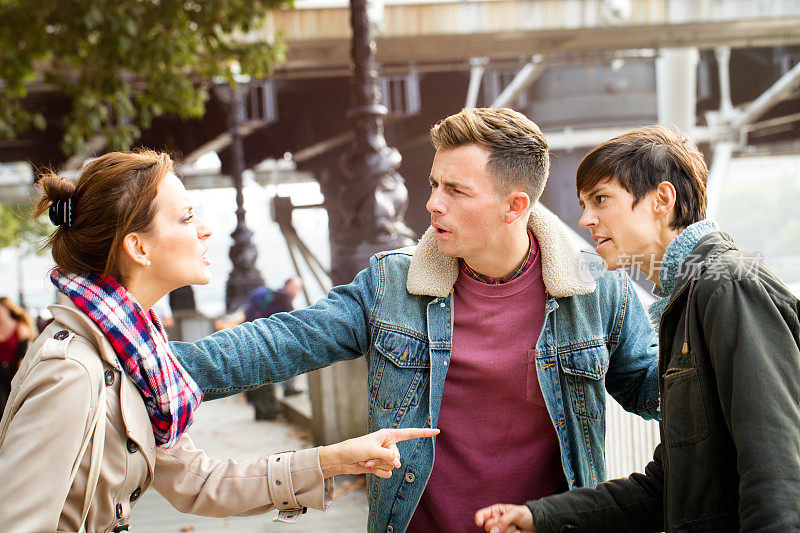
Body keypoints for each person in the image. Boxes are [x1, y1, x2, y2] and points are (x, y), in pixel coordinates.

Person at [171, 108, 661, 533]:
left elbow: (657, 389)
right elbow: (283, 341)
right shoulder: (393, 286)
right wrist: (147, 370)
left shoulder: (598, 291)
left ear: (514, 206)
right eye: (433, 184)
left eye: (456, 190)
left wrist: (718, 328)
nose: (432, 203)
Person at [0, 150, 437, 533]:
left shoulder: (136, 354)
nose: (206, 230)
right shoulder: (73, 372)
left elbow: (198, 482)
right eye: (187, 217)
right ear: (138, 247)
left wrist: (332, 460)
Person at [475, 125, 800, 532]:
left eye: (601, 199)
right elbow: (668, 488)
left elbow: (778, 474)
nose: (585, 219)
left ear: (662, 200)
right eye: (583, 203)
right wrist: (540, 517)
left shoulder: (728, 282)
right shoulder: (686, 302)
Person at [244, 277, 306, 419]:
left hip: (256, 336)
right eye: (296, 287)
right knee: (268, 377)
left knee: (262, 377)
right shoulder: (284, 297)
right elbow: (293, 319)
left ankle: (264, 412)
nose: (298, 291)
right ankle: (271, 409)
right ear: (287, 285)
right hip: (267, 340)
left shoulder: (274, 295)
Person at [0, 296, 34, 415]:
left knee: (12, 407)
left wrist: (18, 378)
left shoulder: (21, 328)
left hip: (13, 372)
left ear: (7, 309)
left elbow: (22, 357)